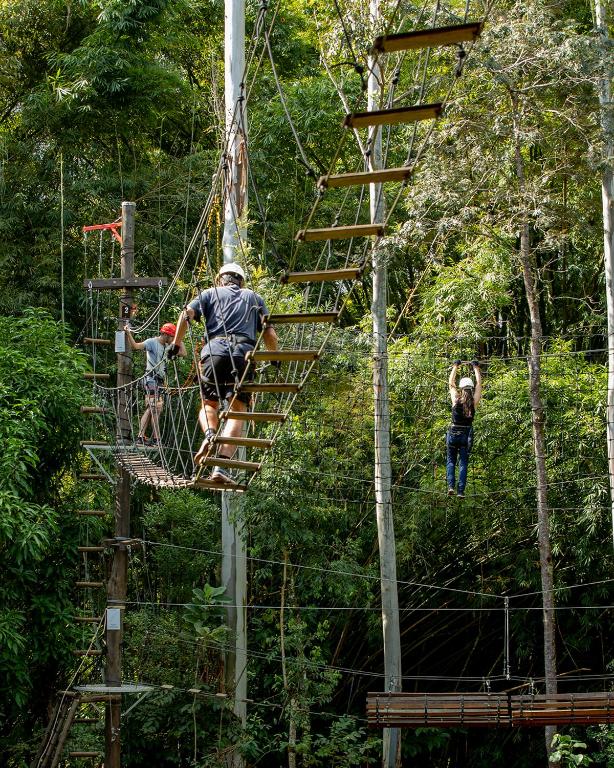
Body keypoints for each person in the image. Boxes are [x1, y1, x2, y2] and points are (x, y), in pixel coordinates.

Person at [168, 262, 278, 484]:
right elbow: (270, 334)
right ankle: (221, 467)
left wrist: (177, 344)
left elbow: (186, 314)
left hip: (214, 354)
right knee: (237, 412)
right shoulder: (255, 298)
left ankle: (210, 435)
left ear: (220, 279)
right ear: (242, 281)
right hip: (244, 355)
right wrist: (275, 356)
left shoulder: (209, 293)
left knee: (209, 404)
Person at [124, 322, 186, 445]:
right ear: (165, 334)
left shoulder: (169, 346)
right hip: (150, 379)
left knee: (153, 408)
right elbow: (136, 346)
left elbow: (184, 353)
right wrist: (128, 333)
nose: (173, 339)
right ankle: (156, 439)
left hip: (160, 381)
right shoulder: (152, 342)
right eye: (171, 337)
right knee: (155, 408)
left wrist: (180, 337)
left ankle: (141, 436)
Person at [446, 360, 482, 498]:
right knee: (463, 463)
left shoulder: (455, 399)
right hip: (466, 435)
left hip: (453, 433)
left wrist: (455, 366)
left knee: (451, 461)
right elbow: (479, 384)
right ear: (471, 389)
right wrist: (476, 368)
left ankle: (450, 486)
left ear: (461, 388)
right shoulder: (473, 402)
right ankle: (460, 491)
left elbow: (451, 383)